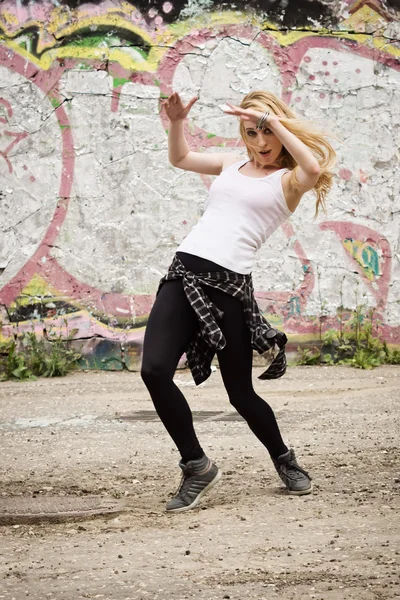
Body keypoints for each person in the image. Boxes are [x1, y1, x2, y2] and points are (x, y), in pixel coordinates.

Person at [141, 90, 336, 512]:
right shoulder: (232, 163)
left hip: (229, 287)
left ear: (282, 131)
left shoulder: (289, 181)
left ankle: (284, 459)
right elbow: (181, 158)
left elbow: (313, 166)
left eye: (267, 132)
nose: (261, 141)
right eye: (252, 132)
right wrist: (176, 123)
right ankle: (196, 465)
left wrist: (273, 120)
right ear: (242, 134)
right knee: (154, 370)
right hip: (184, 273)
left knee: (240, 393)